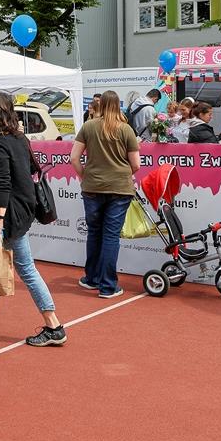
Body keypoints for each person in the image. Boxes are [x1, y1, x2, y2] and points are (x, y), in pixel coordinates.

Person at [0, 93, 67, 346]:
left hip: (11, 213)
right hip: (24, 208)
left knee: (25, 268)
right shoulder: (19, 138)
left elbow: (5, 185)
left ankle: (53, 324)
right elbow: (29, 170)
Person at [69, 90, 141, 299]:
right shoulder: (126, 129)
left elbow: (74, 158)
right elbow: (135, 164)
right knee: (110, 236)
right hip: (119, 188)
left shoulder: (88, 126)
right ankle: (108, 286)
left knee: (94, 233)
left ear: (99, 105)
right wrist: (122, 174)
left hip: (92, 187)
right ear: (118, 105)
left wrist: (85, 177)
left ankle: (92, 278)